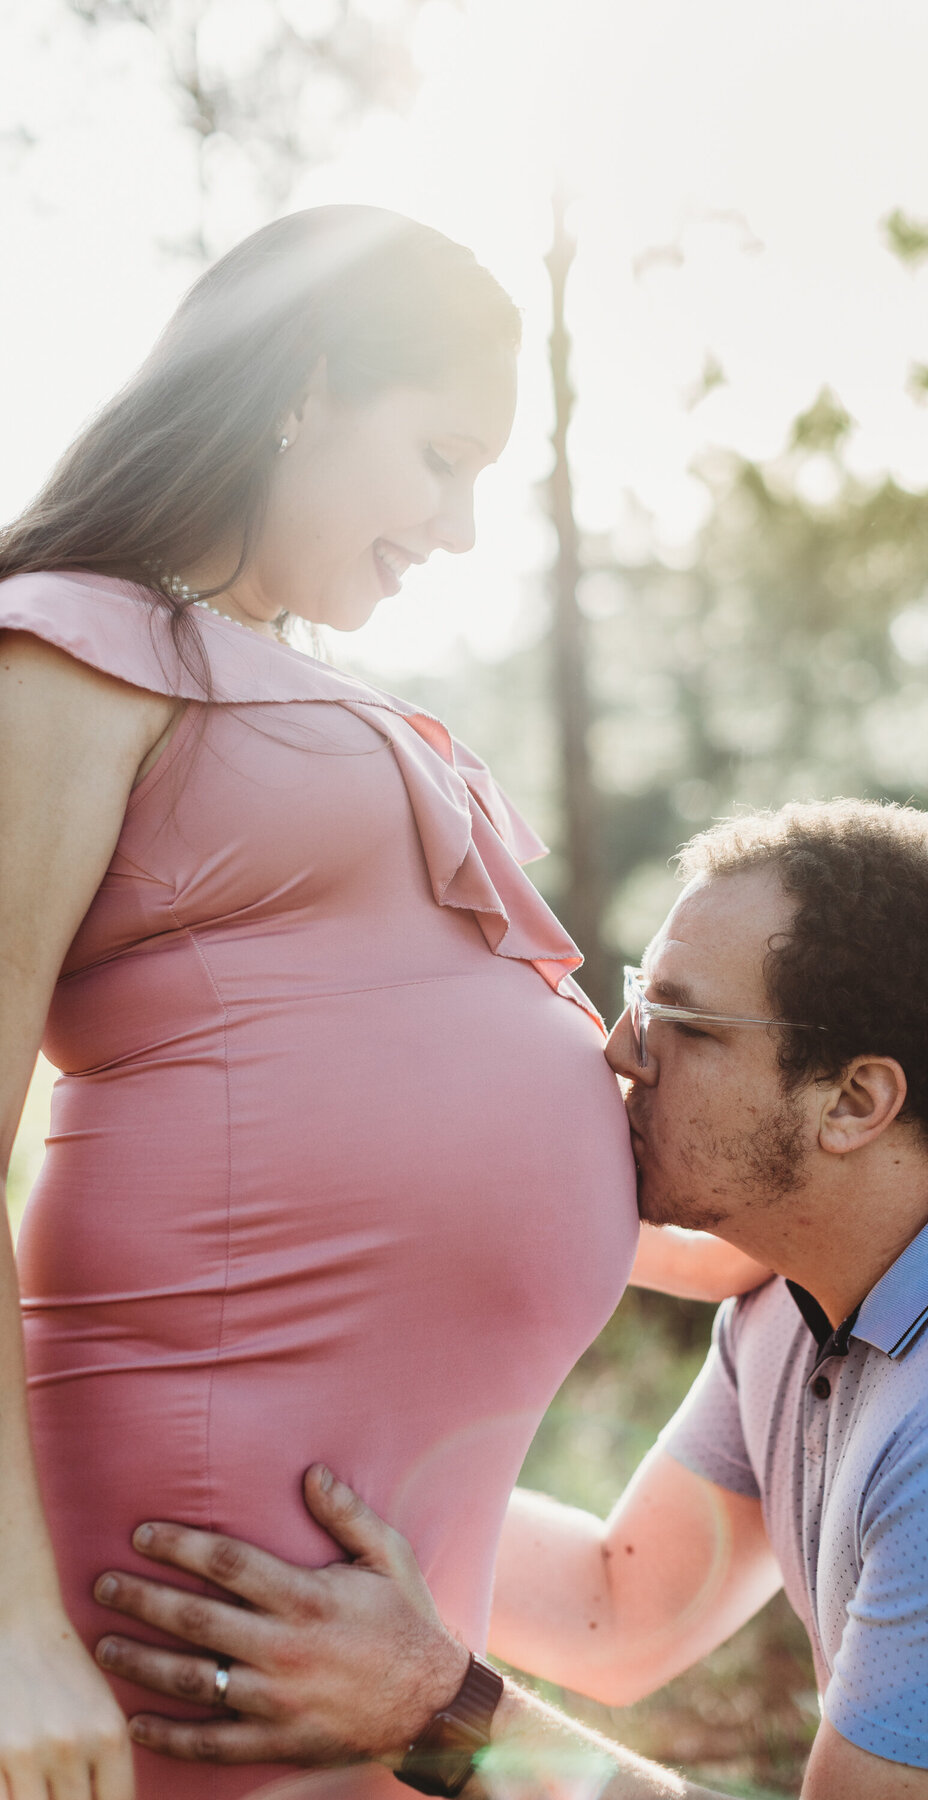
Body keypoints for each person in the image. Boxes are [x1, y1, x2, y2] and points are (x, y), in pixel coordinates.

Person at [0, 204, 763, 1800]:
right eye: (442, 454)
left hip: (384, 1594)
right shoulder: (74, 648)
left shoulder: (289, 675)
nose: (463, 526)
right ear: (311, 384)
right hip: (186, 1574)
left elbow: (364, 1108)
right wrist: (8, 1631)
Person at [92, 801, 928, 1798]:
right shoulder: (824, 1276)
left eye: (684, 1021)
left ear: (855, 1100)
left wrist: (440, 1714)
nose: (622, 1052)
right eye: (638, 998)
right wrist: (246, 1481)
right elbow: (618, 1608)